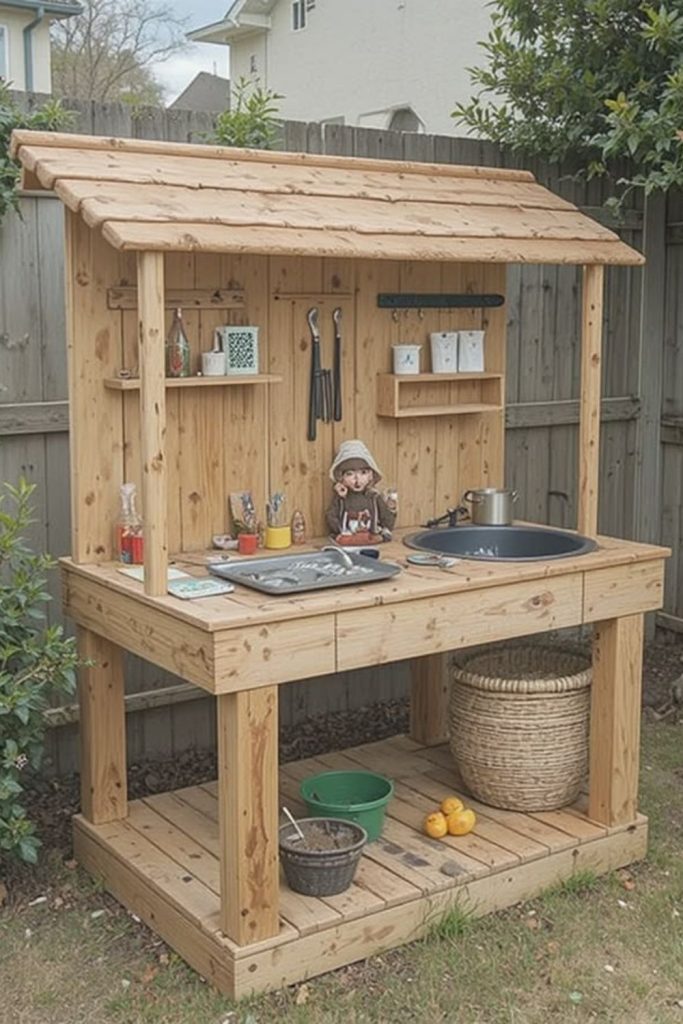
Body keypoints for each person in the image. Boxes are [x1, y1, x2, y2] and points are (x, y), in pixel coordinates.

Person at [326, 439, 397, 543]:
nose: (357, 479)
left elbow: (388, 523)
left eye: (363, 473)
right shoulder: (342, 498)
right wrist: (340, 498)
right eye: (350, 474)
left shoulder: (373, 497)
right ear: (341, 477)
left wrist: (391, 508)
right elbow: (332, 519)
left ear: (370, 475)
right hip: (348, 541)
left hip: (372, 542)